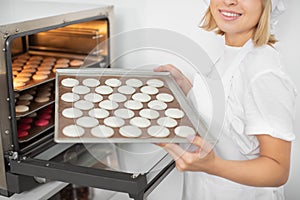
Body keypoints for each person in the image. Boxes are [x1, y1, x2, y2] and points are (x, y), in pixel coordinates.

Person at [155, 0, 297, 199]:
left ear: (267, 5)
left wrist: (213, 165)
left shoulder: (264, 72)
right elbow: (228, 116)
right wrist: (186, 88)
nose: (229, 1)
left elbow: (277, 170)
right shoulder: (235, 52)